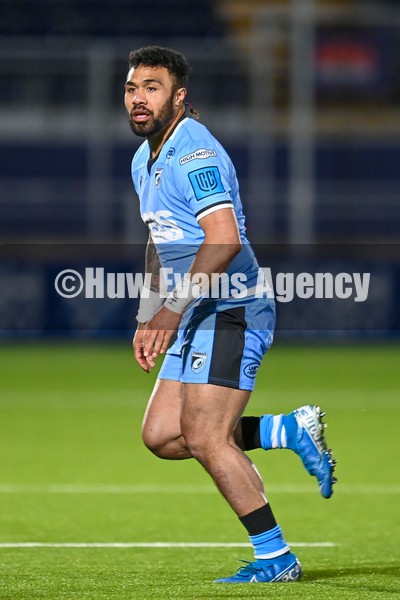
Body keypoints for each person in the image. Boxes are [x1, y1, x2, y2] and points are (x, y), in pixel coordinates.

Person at [126, 46, 336, 584]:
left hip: (233, 305)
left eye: (152, 88)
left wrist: (170, 312)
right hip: (197, 308)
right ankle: (285, 429)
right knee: (162, 437)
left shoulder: (194, 150)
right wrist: (149, 310)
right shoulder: (143, 158)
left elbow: (223, 240)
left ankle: (276, 558)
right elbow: (160, 238)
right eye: (132, 89)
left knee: (204, 436)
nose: (139, 99)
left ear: (179, 97)